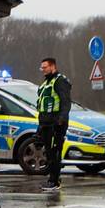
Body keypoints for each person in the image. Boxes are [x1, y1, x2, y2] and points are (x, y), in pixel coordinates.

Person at [35, 57, 71, 188]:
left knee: (55, 153)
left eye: (45, 67)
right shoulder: (46, 83)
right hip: (45, 123)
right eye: (42, 68)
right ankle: (53, 179)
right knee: (49, 153)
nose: (43, 70)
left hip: (56, 124)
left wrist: (61, 120)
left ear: (52, 67)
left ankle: (54, 181)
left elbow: (66, 102)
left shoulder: (60, 81)